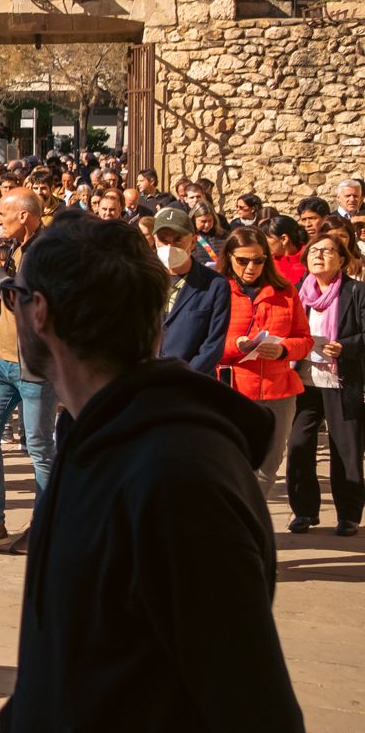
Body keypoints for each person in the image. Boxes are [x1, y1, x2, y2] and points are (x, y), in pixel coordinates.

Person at [0, 215, 309, 733]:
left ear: (40, 313)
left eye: (15, 298)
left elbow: (258, 724)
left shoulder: (174, 474)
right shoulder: (96, 439)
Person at [0, 193, 55, 551]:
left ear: (25, 215)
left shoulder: (46, 253)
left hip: (34, 365)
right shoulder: (18, 246)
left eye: (3, 214)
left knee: (39, 447)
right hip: (1, 360)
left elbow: (24, 303)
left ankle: (45, 526)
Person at [217, 226, 312, 500]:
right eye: (243, 260)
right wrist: (236, 344)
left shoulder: (285, 291)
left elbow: (304, 340)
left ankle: (248, 522)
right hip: (233, 390)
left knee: (268, 466)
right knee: (232, 464)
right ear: (230, 257)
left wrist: (283, 349)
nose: (251, 267)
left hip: (278, 390)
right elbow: (205, 342)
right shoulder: (218, 290)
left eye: (258, 260)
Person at [287, 227, 365, 536]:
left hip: (340, 378)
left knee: (345, 448)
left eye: (327, 251)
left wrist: (345, 346)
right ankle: (304, 512)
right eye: (314, 251)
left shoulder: (356, 292)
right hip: (304, 379)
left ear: (343, 260)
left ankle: (347, 515)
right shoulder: (297, 292)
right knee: (298, 444)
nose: (318, 255)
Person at [153, 206, 230, 375]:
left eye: (178, 240)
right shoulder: (142, 279)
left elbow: (213, 344)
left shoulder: (214, 285)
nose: (169, 246)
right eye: (163, 239)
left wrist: (183, 378)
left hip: (191, 384)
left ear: (193, 241)